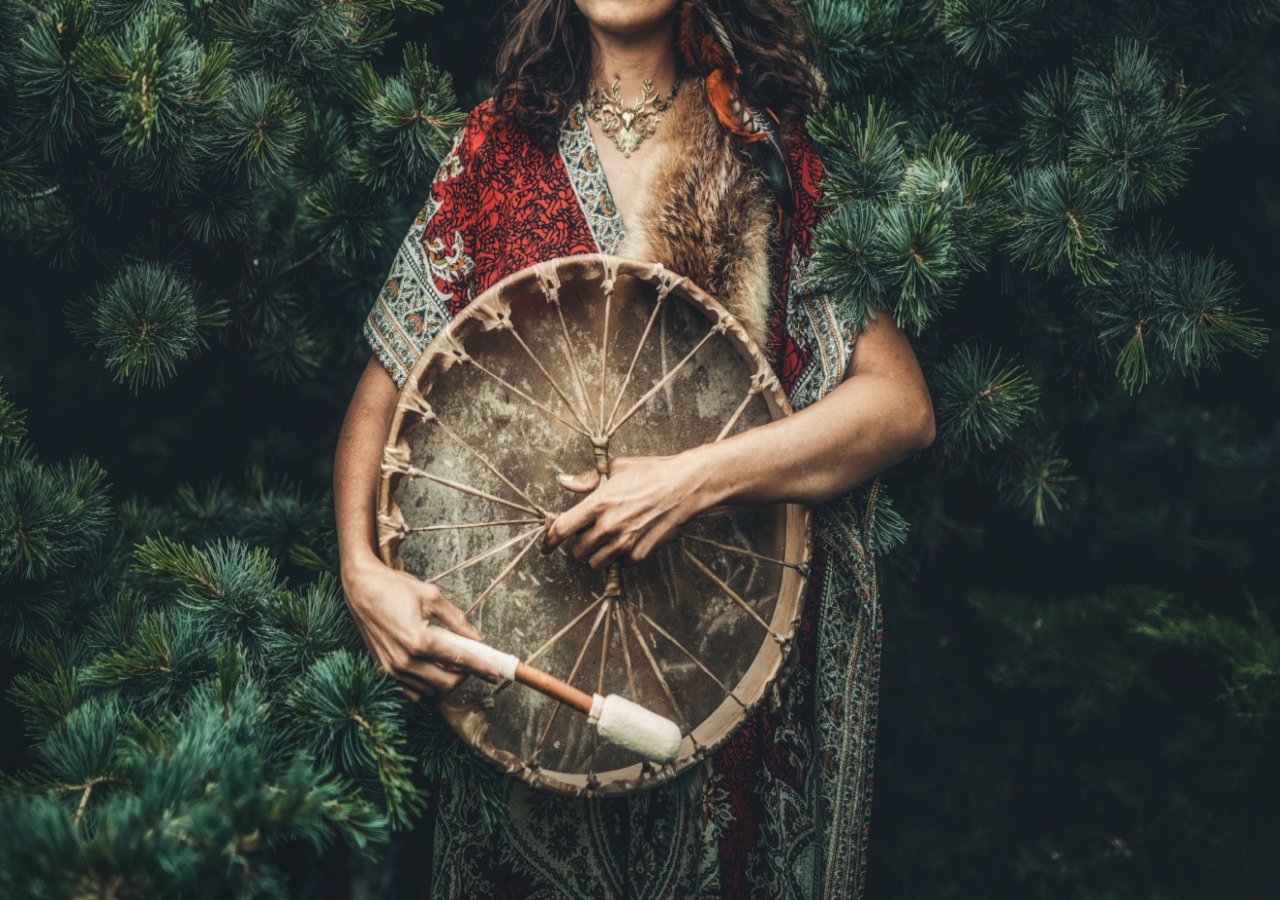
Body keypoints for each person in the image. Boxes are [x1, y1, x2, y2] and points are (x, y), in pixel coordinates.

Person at [332, 1, 936, 896]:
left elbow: (900, 405)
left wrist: (691, 482)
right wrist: (361, 573)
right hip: (528, 704)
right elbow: (384, 394)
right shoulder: (496, 150)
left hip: (722, 682)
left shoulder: (762, 147)